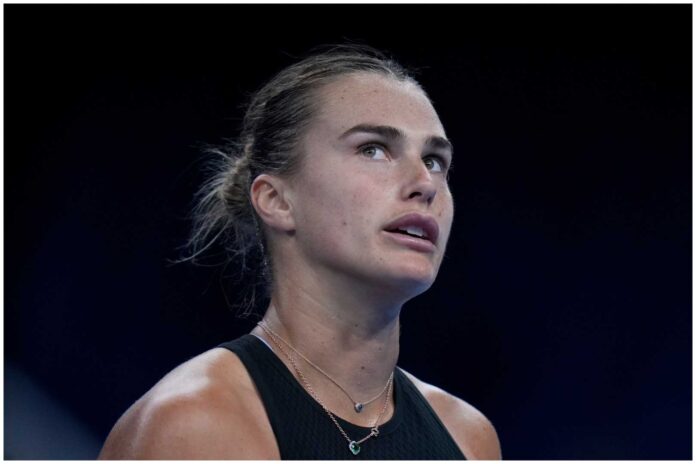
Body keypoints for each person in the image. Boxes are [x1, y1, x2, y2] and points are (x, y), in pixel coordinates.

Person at [98, 44, 501, 460]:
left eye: (435, 160)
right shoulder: (194, 423)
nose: (425, 183)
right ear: (276, 200)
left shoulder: (470, 440)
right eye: (373, 149)